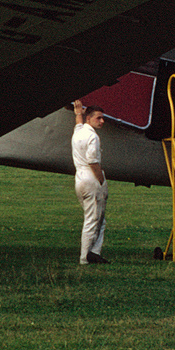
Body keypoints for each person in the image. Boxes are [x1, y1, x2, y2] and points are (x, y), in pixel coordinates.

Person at [71, 99, 109, 264]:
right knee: (93, 219)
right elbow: (92, 160)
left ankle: (93, 253)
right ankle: (85, 257)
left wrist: (78, 113)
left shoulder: (79, 132)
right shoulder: (93, 137)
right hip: (91, 177)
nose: (102, 121)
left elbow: (79, 123)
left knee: (97, 218)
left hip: (80, 178)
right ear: (89, 119)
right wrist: (100, 179)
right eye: (98, 118)